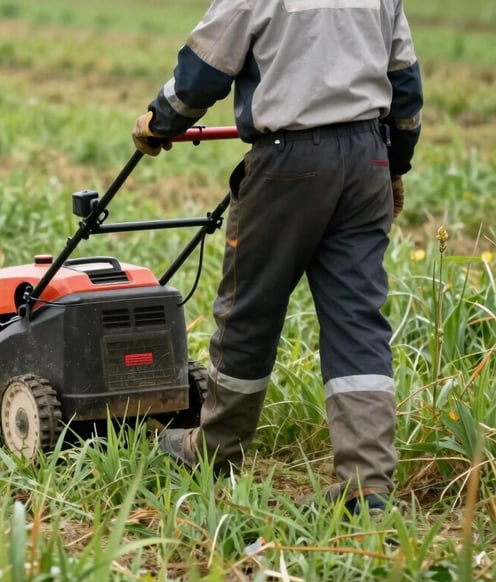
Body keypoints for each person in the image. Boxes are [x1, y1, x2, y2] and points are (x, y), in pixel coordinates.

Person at [132, 0, 422, 515]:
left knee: (250, 309)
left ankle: (217, 451)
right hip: (367, 160)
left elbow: (203, 71)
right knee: (358, 321)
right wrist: (394, 165)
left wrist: (161, 119)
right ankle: (367, 485)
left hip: (290, 158)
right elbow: (404, 82)